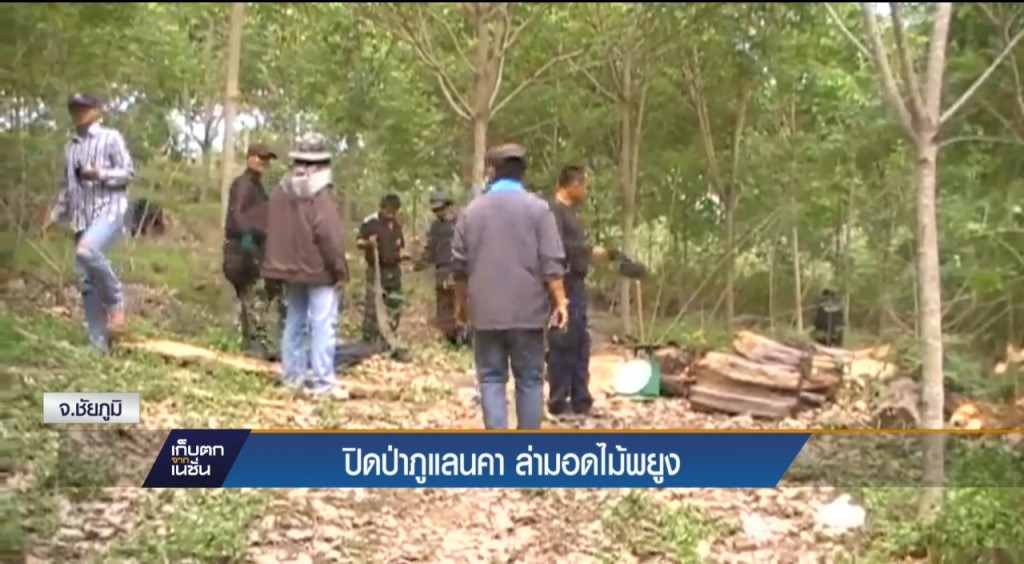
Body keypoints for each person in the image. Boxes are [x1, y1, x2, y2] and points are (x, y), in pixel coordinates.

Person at [451, 143, 568, 430]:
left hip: (485, 312)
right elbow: (551, 261)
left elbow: (459, 267)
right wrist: (561, 302)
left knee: (491, 378)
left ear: (492, 172)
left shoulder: (471, 212)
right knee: (529, 380)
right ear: (523, 173)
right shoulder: (538, 210)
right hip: (528, 312)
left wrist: (461, 307)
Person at [42, 93, 134, 352]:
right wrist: (53, 216)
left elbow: (128, 173)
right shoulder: (70, 147)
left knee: (86, 250)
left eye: (84, 108)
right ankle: (98, 344)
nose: (78, 113)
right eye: (74, 109)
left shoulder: (110, 137)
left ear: (96, 110)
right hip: (81, 217)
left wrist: (100, 174)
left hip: (109, 209)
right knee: (87, 282)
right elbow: (67, 188)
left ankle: (116, 303)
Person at [261, 132, 349, 397]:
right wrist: (339, 270)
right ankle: (323, 383)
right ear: (322, 162)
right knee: (323, 325)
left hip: (290, 270)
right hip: (319, 270)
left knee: (294, 322)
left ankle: (292, 377)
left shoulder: (280, 190)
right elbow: (328, 235)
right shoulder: (320, 193)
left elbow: (271, 228)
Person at [545, 165, 616, 419]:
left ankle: (581, 400)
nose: (585, 191)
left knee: (580, 343)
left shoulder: (571, 214)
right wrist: (588, 252)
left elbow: (576, 249)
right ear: (573, 185)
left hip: (577, 284)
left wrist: (603, 255)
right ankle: (558, 401)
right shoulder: (554, 212)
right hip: (562, 285)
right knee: (562, 342)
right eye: (583, 185)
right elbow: (557, 249)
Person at [222, 142, 286, 358]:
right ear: (249, 157)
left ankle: (248, 345)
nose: (263, 162)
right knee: (255, 294)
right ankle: (254, 345)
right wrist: (247, 240)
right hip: (242, 249)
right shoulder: (243, 184)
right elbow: (237, 215)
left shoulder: (258, 187)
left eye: (266, 159)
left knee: (251, 296)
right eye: (260, 157)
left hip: (255, 248)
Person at [414, 190, 469, 347]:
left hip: (458, 270)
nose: (439, 212)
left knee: (460, 305)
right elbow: (430, 251)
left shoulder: (461, 224)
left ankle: (464, 336)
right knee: (444, 307)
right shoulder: (435, 227)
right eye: (436, 210)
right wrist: (418, 264)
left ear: (448, 207)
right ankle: (449, 337)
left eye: (441, 208)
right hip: (442, 271)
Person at [357, 193, 406, 345]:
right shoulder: (370, 222)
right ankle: (369, 336)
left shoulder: (396, 225)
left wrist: (404, 256)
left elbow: (401, 246)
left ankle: (389, 334)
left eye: (394, 212)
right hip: (376, 269)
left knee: (394, 302)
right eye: (388, 211)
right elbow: (359, 242)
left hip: (394, 270)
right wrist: (368, 243)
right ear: (382, 208)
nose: (390, 215)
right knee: (373, 302)